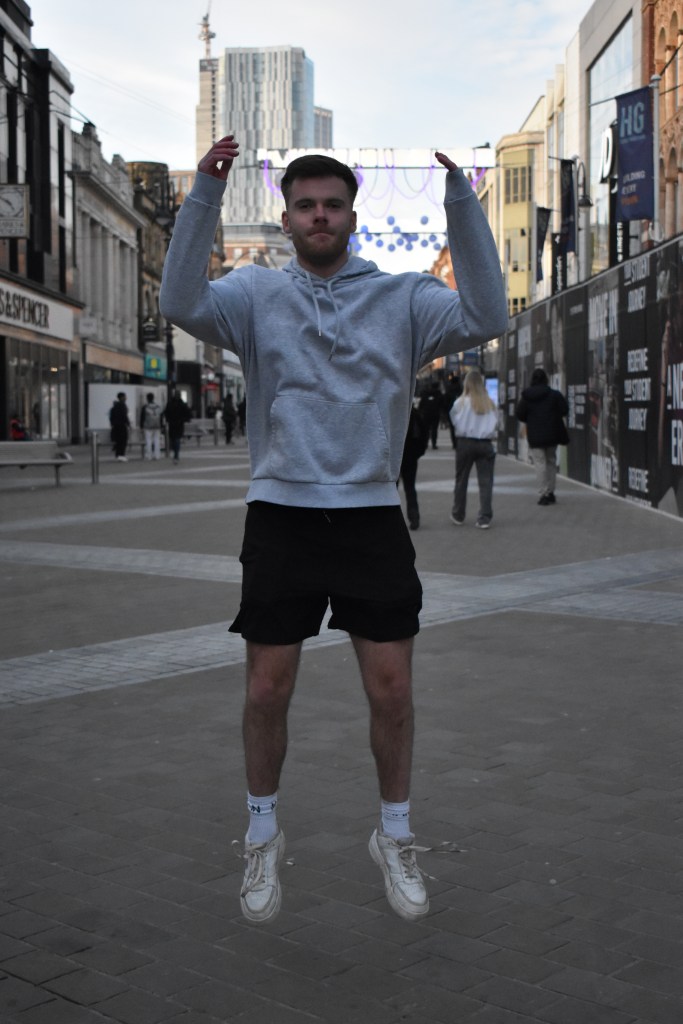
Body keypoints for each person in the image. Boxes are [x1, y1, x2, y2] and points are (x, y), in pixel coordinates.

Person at [160, 135, 507, 925]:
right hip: (281, 513)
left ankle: (394, 834)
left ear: (353, 217)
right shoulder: (252, 294)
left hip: (371, 518)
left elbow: (486, 313)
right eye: (306, 206)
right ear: (286, 219)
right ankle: (260, 834)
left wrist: (460, 204)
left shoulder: (404, 300)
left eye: (333, 206)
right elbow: (180, 305)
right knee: (264, 689)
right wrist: (204, 195)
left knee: (391, 692)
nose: (320, 216)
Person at [449, 369, 498, 529]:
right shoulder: (490, 403)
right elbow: (498, 424)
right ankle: (484, 517)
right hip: (485, 443)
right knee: (486, 482)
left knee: (461, 480)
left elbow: (453, 420)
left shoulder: (460, 403)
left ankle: (458, 514)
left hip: (465, 443)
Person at [515, 367, 569, 505]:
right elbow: (564, 410)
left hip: (535, 435)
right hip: (552, 434)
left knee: (540, 463)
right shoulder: (554, 395)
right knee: (551, 461)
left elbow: (520, 414)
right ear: (546, 379)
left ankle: (543, 493)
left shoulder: (527, 396)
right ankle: (551, 492)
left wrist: (531, 419)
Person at [399, 402, 429, 530]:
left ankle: (390, 521)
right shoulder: (415, 414)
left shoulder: (394, 414)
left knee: (391, 490)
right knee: (410, 488)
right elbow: (424, 435)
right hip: (411, 457)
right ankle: (414, 518)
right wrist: (418, 453)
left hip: (394, 458)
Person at [163, 390, 192, 463]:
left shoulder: (170, 403)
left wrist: (167, 420)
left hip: (172, 424)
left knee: (174, 439)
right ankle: (176, 454)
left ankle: (176, 454)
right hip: (179, 424)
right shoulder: (182, 404)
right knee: (177, 439)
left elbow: (166, 413)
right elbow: (188, 414)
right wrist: (184, 419)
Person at [418, 382, 443, 450]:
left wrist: (420, 411)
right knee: (434, 430)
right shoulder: (438, 393)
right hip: (435, 414)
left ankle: (425, 444)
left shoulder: (425, 393)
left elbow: (421, 404)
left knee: (426, 430)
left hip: (426, 414)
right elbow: (441, 403)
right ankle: (434, 444)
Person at [140, 392, 163, 460]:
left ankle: (148, 456)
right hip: (157, 425)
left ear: (147, 398)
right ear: (153, 398)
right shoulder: (158, 406)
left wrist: (141, 426)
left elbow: (142, 417)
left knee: (148, 440)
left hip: (148, 426)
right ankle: (157, 455)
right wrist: (161, 425)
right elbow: (161, 416)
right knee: (157, 440)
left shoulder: (145, 407)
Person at [109, 392, 130, 461]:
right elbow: (124, 416)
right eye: (124, 396)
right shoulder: (123, 405)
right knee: (123, 440)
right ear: (121, 397)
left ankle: (118, 455)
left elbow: (111, 417)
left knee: (118, 441)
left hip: (116, 426)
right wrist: (128, 424)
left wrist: (112, 424)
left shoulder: (114, 406)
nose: (125, 398)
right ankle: (122, 455)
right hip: (122, 425)